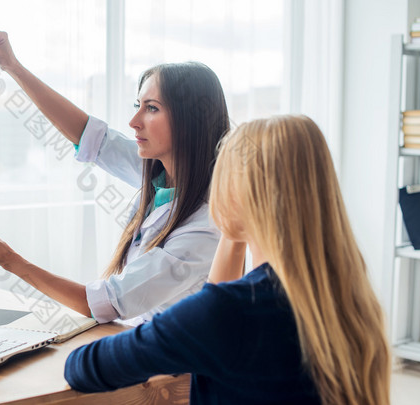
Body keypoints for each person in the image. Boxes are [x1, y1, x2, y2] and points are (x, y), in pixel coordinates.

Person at [64, 115, 391, 405]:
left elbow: (85, 368)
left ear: (238, 196)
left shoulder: (232, 310)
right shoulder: (345, 296)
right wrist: (233, 234)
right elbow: (215, 316)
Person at [0, 30, 243, 324]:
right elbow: (90, 136)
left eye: (152, 108)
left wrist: (8, 259)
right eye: (139, 105)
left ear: (190, 121)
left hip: (177, 364)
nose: (134, 122)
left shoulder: (205, 226)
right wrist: (12, 66)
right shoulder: (160, 173)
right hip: (139, 339)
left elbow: (103, 303)